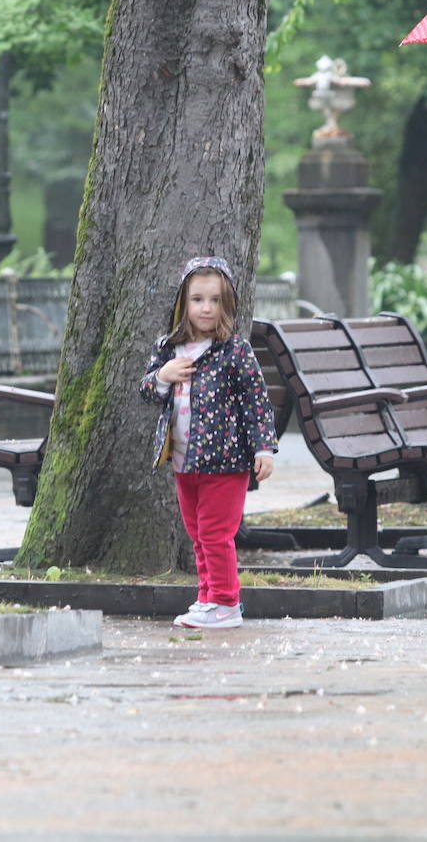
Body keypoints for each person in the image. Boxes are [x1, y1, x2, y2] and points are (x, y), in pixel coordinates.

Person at [139, 256, 278, 629]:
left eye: (214, 301)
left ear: (226, 306)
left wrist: (264, 448)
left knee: (217, 534)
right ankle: (206, 597)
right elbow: (148, 392)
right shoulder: (169, 349)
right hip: (184, 461)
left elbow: (256, 402)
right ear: (183, 302)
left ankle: (226, 603)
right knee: (198, 534)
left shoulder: (234, 352)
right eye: (198, 299)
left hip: (226, 462)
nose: (205, 308)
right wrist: (163, 376)